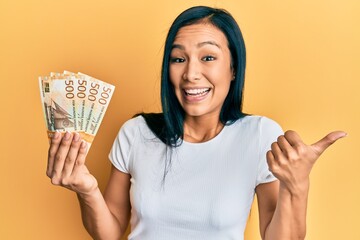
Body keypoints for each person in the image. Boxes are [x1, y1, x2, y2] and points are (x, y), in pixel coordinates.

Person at [46, 6, 346, 240]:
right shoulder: (135, 134)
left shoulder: (260, 135)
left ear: (233, 68)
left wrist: (297, 186)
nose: (190, 73)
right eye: (178, 59)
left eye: (208, 57)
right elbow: (108, 233)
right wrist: (86, 190)